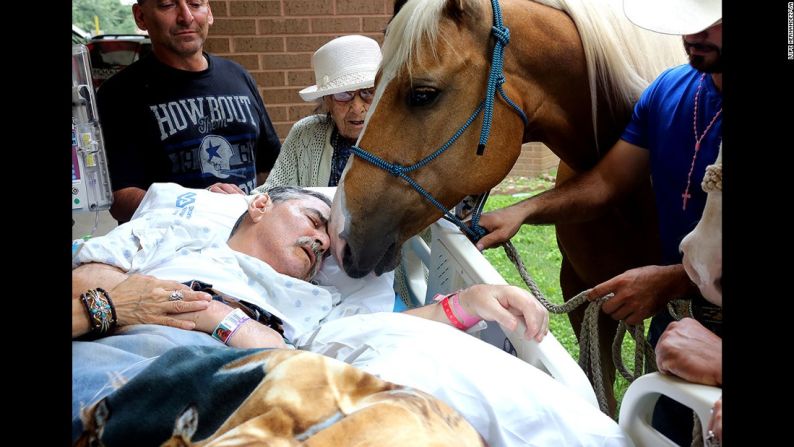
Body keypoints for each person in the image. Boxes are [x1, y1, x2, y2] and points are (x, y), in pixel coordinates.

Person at [72, 185, 631, 446]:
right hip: (125, 366)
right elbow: (87, 295)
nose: (320, 241)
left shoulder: (314, 300)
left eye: (328, 240)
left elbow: (344, 342)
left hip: (250, 390)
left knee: (424, 430)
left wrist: (465, 305)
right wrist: (120, 305)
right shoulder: (175, 235)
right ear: (261, 202)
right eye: (314, 219)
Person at [474, 0, 721, 443]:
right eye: (687, 22)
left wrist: (671, 280)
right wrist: (523, 210)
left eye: (712, 22)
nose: (692, 35)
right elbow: (608, 181)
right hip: (681, 329)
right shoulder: (669, 90)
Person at [97, 0, 281, 224]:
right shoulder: (119, 93)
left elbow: (270, 166)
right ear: (140, 17)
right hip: (170, 249)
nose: (186, 17)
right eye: (167, 5)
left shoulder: (238, 76)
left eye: (195, 4)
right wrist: (201, 204)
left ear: (209, 12)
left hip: (248, 235)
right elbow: (119, 199)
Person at [253, 35, 381, 189]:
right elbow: (271, 194)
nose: (357, 107)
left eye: (368, 92)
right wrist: (236, 199)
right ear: (327, 100)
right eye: (343, 94)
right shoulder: (305, 134)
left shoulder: (403, 136)